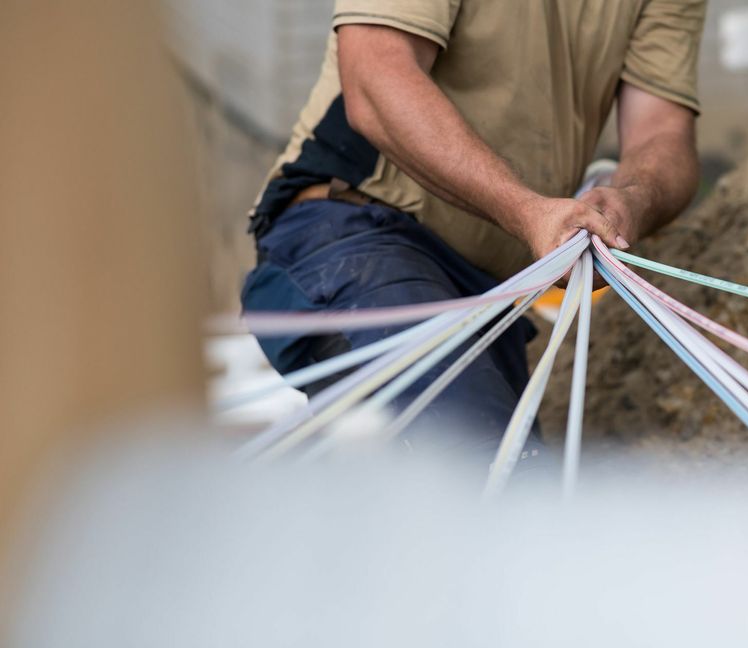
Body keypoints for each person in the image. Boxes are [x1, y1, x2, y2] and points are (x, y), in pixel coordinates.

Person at [242, 0, 706, 457]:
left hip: (488, 294)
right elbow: (376, 78)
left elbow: (662, 130)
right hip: (355, 235)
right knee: (484, 475)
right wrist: (528, 211)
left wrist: (629, 201)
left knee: (504, 489)